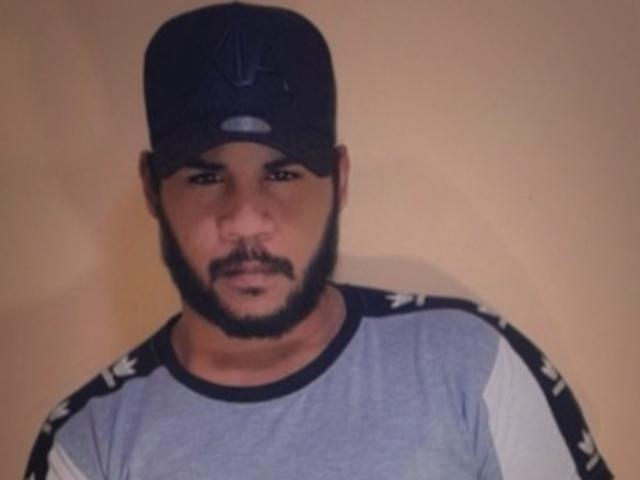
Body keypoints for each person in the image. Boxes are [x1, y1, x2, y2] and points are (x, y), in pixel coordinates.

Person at [25, 3, 613, 479]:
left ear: (340, 179)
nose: (245, 219)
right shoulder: (89, 442)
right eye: (205, 177)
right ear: (153, 188)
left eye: (283, 174)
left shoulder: (470, 365)